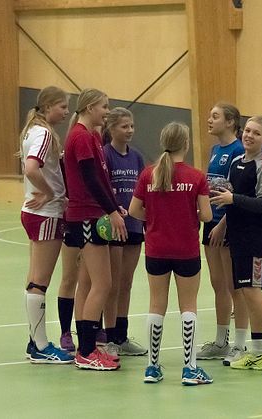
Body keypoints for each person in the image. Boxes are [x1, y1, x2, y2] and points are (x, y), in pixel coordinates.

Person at [129, 122, 214, 385]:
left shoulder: (148, 175)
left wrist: (154, 220)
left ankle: (152, 367)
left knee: (156, 304)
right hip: (186, 249)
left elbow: (134, 211)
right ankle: (190, 368)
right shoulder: (196, 177)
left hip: (156, 249)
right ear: (186, 144)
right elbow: (207, 215)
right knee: (188, 306)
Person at [211, 116, 262, 374]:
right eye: (247, 130)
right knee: (246, 292)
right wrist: (222, 224)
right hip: (236, 236)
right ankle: (257, 352)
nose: (249, 136)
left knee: (253, 291)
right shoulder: (236, 162)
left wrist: (233, 198)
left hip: (256, 238)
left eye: (256, 133)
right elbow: (230, 200)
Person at [64, 88, 127, 370]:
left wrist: (114, 205)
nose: (106, 111)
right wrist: (111, 211)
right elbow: (89, 178)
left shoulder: (90, 136)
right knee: (104, 283)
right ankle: (87, 351)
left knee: (89, 283)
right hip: (87, 217)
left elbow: (101, 179)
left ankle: (85, 347)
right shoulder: (80, 136)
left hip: (91, 214)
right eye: (104, 106)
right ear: (89, 107)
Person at [19, 86, 75, 364]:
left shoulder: (32, 130)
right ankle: (41, 346)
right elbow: (32, 168)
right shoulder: (42, 133)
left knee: (34, 280)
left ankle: (35, 341)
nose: (66, 112)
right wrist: (51, 193)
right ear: (50, 106)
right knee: (40, 282)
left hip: (35, 212)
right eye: (63, 107)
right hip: (46, 213)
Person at [196, 103, 250, 363]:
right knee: (218, 283)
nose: (210, 120)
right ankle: (221, 341)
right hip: (211, 223)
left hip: (228, 225)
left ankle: (240, 344)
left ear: (230, 122)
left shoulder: (239, 150)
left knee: (234, 286)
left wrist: (223, 224)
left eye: (215, 116)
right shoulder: (215, 149)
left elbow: (237, 194)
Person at [102, 107, 147, 357]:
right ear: (111, 129)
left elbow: (142, 191)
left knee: (126, 283)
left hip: (133, 226)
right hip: (113, 227)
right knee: (112, 283)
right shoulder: (105, 155)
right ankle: (109, 337)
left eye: (131, 126)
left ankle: (121, 334)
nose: (129, 130)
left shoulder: (137, 157)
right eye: (124, 126)